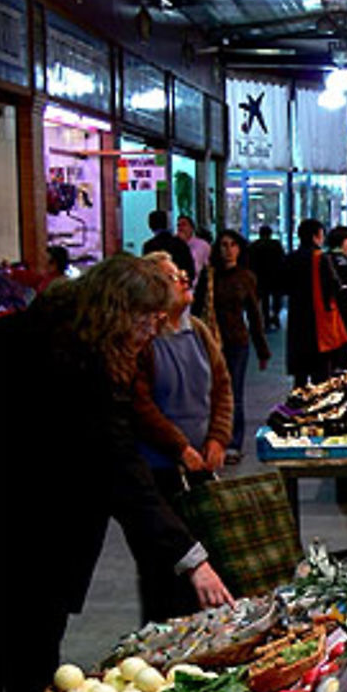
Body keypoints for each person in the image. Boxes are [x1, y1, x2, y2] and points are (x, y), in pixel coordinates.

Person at [0, 254, 232, 692]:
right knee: (24, 663)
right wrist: (192, 558)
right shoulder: (81, 371)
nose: (153, 330)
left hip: (23, 532)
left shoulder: (31, 333)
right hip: (32, 540)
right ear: (118, 311)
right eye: (148, 318)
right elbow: (120, 471)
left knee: (24, 664)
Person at [131, 253, 234, 621]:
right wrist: (180, 447)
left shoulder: (199, 331)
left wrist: (218, 438)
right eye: (173, 277)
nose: (185, 280)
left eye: (181, 274)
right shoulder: (143, 340)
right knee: (164, 571)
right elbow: (141, 406)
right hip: (159, 473)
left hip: (201, 467)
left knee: (209, 560)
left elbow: (222, 387)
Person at [193, 229, 269, 462]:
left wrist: (262, 349)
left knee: (233, 394)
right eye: (224, 245)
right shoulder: (208, 277)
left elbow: (255, 315)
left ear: (240, 249)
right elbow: (196, 311)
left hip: (237, 342)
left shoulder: (245, 277)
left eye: (233, 245)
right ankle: (212, 440)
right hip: (210, 342)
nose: (228, 250)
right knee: (209, 393)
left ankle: (233, 443)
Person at [284, 218, 347, 386]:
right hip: (319, 321)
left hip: (297, 319)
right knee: (321, 374)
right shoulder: (320, 258)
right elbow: (335, 287)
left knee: (300, 375)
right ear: (317, 236)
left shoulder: (291, 257)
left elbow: (283, 285)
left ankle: (297, 404)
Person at [247, 222, 287, 332]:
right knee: (276, 298)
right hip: (275, 276)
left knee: (264, 299)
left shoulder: (254, 246)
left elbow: (250, 262)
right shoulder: (276, 245)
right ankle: (275, 315)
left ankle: (266, 320)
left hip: (260, 277)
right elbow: (282, 260)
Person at [142, 208, 195, 282]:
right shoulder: (180, 243)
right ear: (167, 224)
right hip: (179, 285)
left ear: (150, 225)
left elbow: (147, 272)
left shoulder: (149, 246)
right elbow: (190, 270)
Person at [176, 214, 211, 284]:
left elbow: (209, 266)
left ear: (191, 228)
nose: (181, 228)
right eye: (178, 225)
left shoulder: (202, 245)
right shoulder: (174, 245)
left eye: (184, 225)